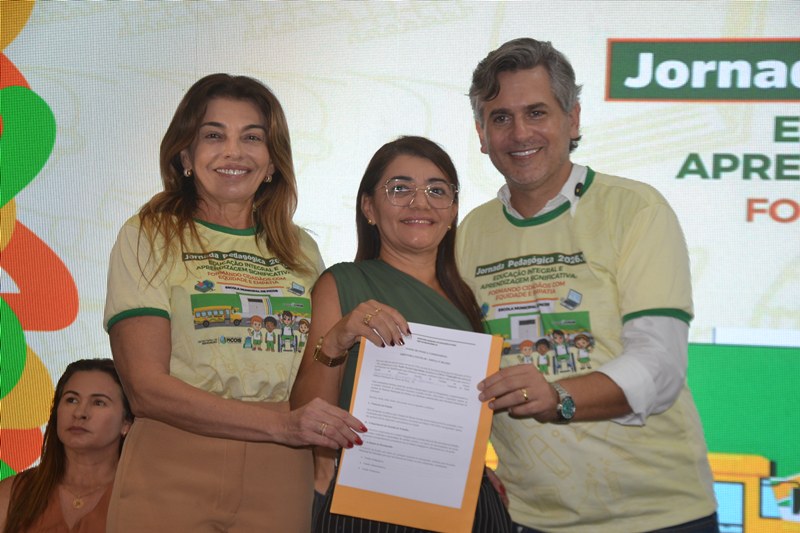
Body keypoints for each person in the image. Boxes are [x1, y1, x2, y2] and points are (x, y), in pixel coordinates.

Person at [457, 38, 718, 533]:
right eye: (501, 117)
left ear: (572, 119)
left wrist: (558, 396)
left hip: (658, 517)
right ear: (482, 134)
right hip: (528, 517)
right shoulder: (469, 233)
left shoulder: (635, 209)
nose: (520, 133)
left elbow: (660, 366)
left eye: (537, 112)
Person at [103, 73, 365, 532]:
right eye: (213, 135)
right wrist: (281, 425)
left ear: (272, 161)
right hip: (173, 461)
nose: (233, 152)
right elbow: (145, 388)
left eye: (252, 137)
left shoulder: (301, 250)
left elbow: (316, 372)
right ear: (185, 155)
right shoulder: (148, 234)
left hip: (282, 471)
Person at [291, 136, 513, 532]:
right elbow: (308, 412)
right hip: (371, 507)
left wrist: (473, 469)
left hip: (464, 506)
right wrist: (338, 340)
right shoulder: (342, 284)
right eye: (400, 189)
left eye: (437, 190)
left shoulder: (469, 295)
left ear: (453, 209)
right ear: (369, 208)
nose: (420, 203)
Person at [0, 359, 133, 533]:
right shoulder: (14, 492)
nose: (79, 413)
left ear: (126, 423)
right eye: (71, 400)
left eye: (98, 402)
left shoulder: (143, 496)